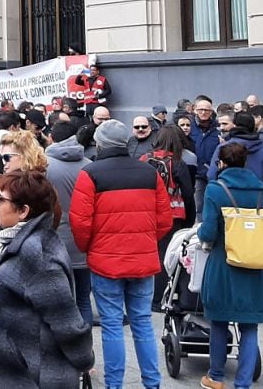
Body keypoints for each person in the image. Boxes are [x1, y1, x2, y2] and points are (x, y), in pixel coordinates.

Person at [69, 119, 172, 389]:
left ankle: (114, 385)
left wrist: (90, 248)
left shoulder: (90, 173)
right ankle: (152, 383)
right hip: (143, 261)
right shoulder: (149, 173)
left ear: (100, 144)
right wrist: (146, 241)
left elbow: (80, 222)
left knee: (112, 326)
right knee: (142, 324)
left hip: (105, 263)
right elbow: (165, 219)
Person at [0, 171, 94, 388]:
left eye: (1, 200)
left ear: (23, 211)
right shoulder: (7, 242)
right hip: (10, 369)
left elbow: (66, 320)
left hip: (29, 375)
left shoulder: (36, 255)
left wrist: (84, 359)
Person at [197, 142, 263, 389]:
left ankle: (215, 376)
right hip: (255, 265)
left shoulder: (215, 189)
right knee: (249, 325)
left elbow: (209, 231)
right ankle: (243, 383)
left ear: (221, 164)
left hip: (224, 263)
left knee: (219, 321)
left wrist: (201, 232)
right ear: (245, 162)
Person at [141, 125, 197, 309]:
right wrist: (189, 219)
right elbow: (188, 193)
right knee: (167, 255)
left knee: (149, 253)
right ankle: (160, 298)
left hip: (147, 212)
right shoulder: (177, 163)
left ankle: (145, 295)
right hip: (173, 215)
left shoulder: (143, 159)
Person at [44, 121, 93, 325]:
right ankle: (86, 348)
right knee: (83, 300)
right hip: (84, 240)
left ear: (52, 138)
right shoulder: (89, 165)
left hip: (54, 240)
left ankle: (68, 351)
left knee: (61, 304)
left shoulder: (44, 166)